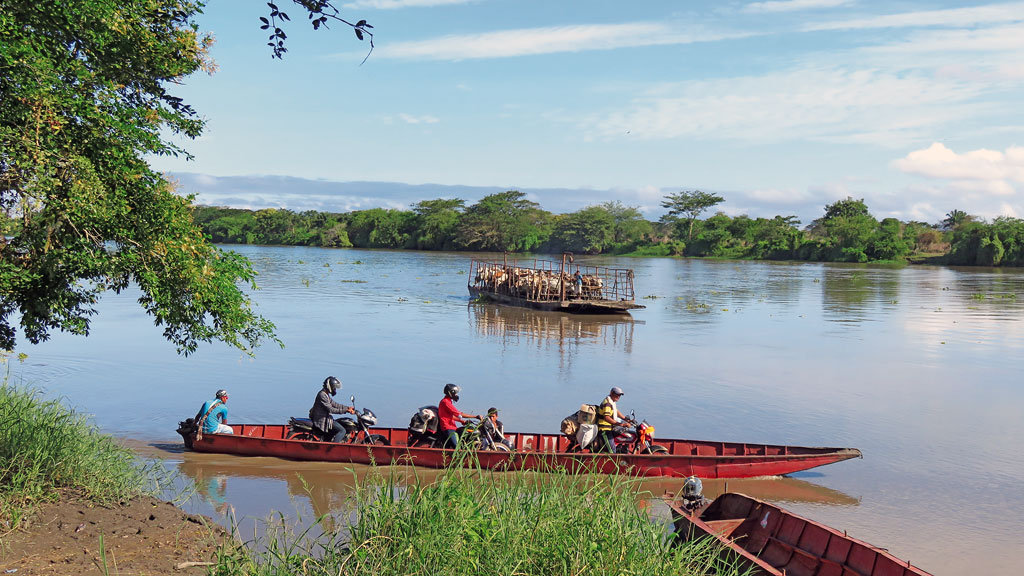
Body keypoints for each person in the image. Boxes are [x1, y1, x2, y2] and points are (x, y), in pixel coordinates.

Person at [309, 375, 356, 442]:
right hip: (322, 419)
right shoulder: (322, 395)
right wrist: (346, 410)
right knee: (342, 430)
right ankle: (334, 447)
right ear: (329, 386)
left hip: (326, 418)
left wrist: (347, 407)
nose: (335, 389)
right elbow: (331, 409)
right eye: (334, 388)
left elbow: (334, 404)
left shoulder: (325, 394)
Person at [438, 383, 480, 449]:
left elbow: (451, 416)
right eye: (455, 393)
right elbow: (459, 414)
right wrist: (475, 417)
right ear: (451, 393)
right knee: (457, 447)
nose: (456, 395)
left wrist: (462, 421)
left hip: (452, 426)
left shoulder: (448, 402)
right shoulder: (445, 402)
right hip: (448, 427)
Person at [596, 386, 626, 453]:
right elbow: (607, 417)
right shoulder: (607, 403)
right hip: (604, 430)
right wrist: (621, 424)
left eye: (620, 395)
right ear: (611, 393)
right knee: (612, 451)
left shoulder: (612, 402)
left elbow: (616, 411)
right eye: (617, 394)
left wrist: (625, 419)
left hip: (609, 428)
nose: (618, 396)